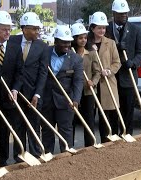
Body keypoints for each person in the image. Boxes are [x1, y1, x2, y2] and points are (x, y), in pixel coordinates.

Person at [9, 12, 49, 161]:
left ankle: (35, 155)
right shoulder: (12, 41)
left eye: (38, 28)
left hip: (33, 95)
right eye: (34, 29)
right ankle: (19, 157)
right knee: (17, 127)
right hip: (16, 93)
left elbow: (43, 72)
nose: (37, 32)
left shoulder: (43, 47)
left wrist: (37, 94)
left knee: (33, 127)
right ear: (25, 28)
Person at [41, 25, 83, 153]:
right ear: (55, 41)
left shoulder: (76, 59)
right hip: (47, 101)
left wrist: (76, 99)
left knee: (66, 132)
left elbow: (78, 81)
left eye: (69, 42)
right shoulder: (45, 53)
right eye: (63, 42)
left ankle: (66, 160)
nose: (67, 45)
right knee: (47, 131)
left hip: (66, 102)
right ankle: (47, 159)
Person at [105, 0, 141, 135]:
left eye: (125, 13)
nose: (124, 16)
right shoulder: (106, 29)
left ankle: (127, 136)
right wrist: (116, 47)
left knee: (128, 111)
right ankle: (114, 137)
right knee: (113, 111)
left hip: (128, 78)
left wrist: (133, 63)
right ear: (114, 13)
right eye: (121, 13)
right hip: (112, 78)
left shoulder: (135, 30)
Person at [0, 11, 23, 167]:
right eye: (4, 29)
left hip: (9, 96)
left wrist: (15, 89)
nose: (7, 32)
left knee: (5, 131)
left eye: (9, 29)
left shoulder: (15, 48)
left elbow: (19, 72)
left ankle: (2, 162)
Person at [87, 11, 121, 143]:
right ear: (92, 28)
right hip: (93, 83)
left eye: (103, 28)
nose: (102, 30)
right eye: (99, 28)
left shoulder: (110, 43)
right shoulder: (87, 43)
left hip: (108, 84)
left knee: (108, 116)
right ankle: (92, 144)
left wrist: (109, 71)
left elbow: (117, 62)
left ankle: (109, 142)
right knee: (92, 116)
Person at [70, 22, 100, 147]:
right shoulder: (70, 53)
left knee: (89, 120)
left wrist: (93, 82)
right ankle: (69, 146)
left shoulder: (91, 53)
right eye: (80, 38)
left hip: (88, 91)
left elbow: (97, 72)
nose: (83, 40)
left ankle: (90, 145)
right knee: (71, 120)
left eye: (85, 37)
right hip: (73, 91)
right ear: (74, 39)